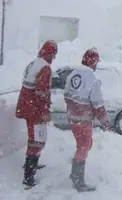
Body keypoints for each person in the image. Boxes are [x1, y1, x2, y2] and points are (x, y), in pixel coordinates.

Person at [64, 48, 110, 192]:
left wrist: (74, 108)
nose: (96, 65)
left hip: (72, 117)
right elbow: (98, 104)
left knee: (85, 145)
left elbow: (66, 95)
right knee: (83, 147)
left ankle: (74, 173)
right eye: (96, 61)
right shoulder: (92, 78)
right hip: (83, 120)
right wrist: (104, 122)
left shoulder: (73, 73)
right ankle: (78, 181)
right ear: (93, 61)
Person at [15, 40, 58, 189]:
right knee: (38, 140)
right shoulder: (45, 68)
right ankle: (29, 177)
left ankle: (31, 163)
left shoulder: (33, 63)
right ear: (51, 54)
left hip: (26, 105)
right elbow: (42, 93)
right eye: (54, 55)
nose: (53, 58)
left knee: (33, 137)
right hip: (35, 108)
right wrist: (44, 111)